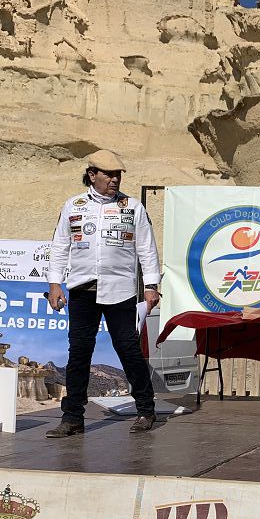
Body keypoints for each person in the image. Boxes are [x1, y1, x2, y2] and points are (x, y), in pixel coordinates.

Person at [45, 149, 161, 438]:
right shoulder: (74, 205)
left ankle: (146, 410)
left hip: (120, 289)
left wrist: (151, 286)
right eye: (108, 174)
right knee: (79, 353)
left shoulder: (132, 207)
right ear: (92, 174)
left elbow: (147, 249)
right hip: (82, 290)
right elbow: (60, 247)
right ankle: (73, 417)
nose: (115, 179)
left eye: (118, 174)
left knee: (128, 349)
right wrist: (54, 284)